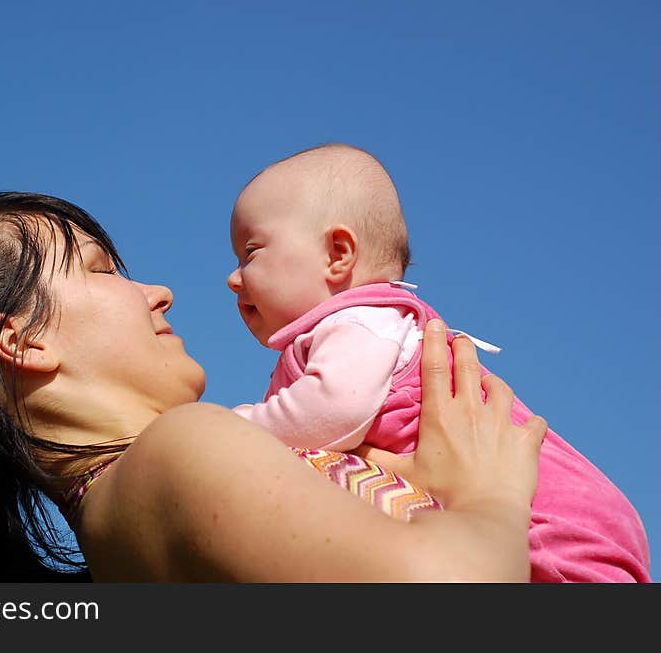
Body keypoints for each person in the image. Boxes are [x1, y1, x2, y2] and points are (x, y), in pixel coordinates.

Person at [0, 179, 547, 583]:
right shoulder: (176, 453)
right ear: (23, 341)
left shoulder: (125, 532)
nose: (159, 292)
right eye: (103, 269)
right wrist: (488, 499)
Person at [225, 143, 651, 582]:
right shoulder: (342, 334)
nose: (233, 277)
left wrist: (241, 426)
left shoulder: (360, 322)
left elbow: (334, 410)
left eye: (251, 252)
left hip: (554, 523)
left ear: (338, 254)